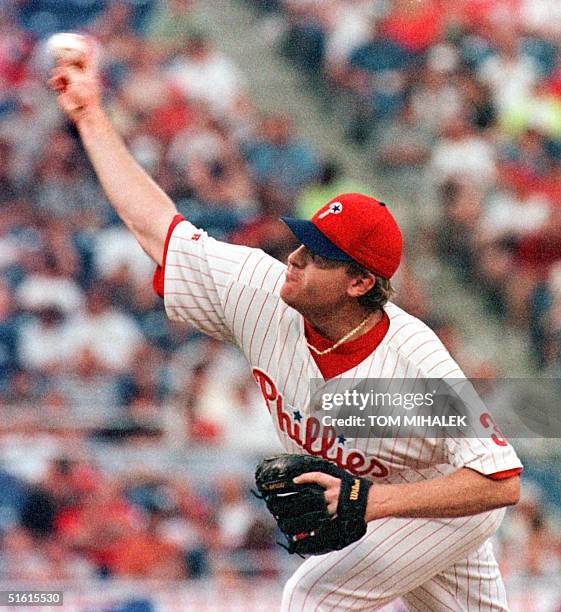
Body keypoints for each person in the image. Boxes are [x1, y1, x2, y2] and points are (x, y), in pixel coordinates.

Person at [49, 50, 522, 611]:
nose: (295, 257)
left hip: (447, 496)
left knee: (312, 596)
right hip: (392, 498)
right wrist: (90, 117)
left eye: (320, 255)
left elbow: (501, 484)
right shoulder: (260, 290)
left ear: (358, 283)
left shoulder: (412, 363)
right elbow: (156, 228)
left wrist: (375, 502)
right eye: (305, 240)